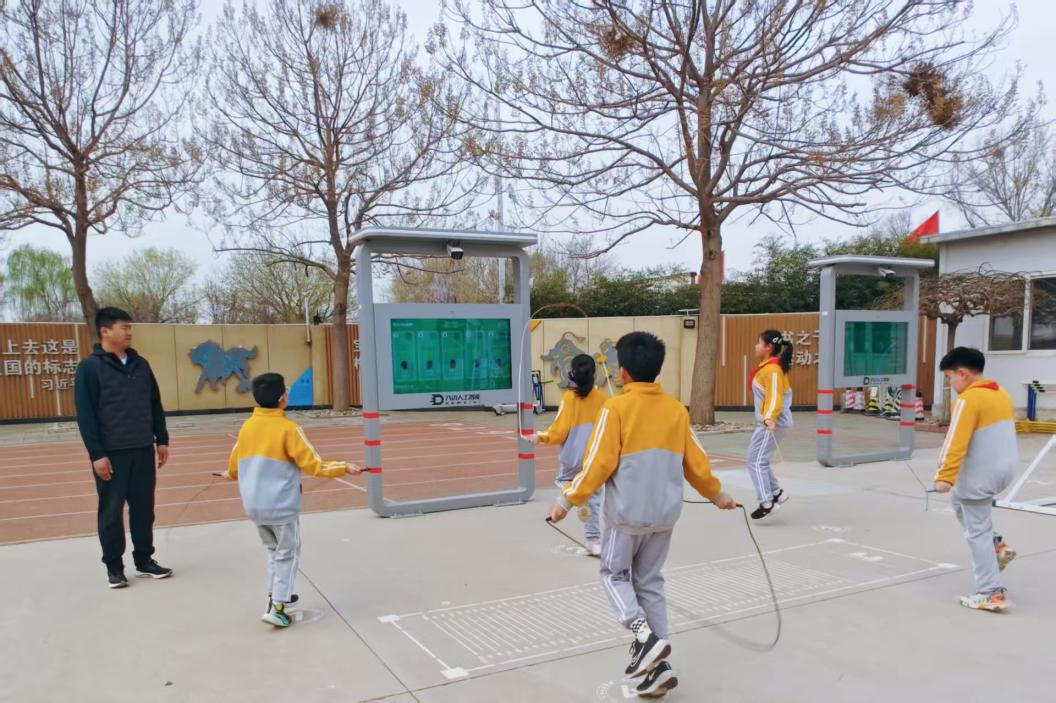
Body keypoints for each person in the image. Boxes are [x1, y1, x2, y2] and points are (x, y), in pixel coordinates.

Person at [549, 332, 736, 698]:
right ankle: (659, 668)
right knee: (649, 583)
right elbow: (697, 464)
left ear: (623, 372)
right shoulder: (675, 410)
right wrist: (718, 495)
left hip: (626, 517)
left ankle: (643, 635)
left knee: (613, 574)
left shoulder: (615, 409)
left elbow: (597, 464)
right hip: (664, 518)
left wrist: (567, 500)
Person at [225, 373, 361, 628]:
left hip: (254, 506)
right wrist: (344, 466)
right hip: (281, 506)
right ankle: (277, 606)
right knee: (287, 553)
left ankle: (277, 595)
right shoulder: (288, 429)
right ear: (282, 398)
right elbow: (314, 465)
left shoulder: (247, 427)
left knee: (273, 551)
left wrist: (229, 475)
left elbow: (233, 466)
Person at [75, 307, 173, 589]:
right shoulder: (90, 368)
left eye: (130, 327)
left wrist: (161, 439)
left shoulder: (141, 365)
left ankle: (144, 560)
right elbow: (86, 415)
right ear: (105, 331)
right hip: (112, 454)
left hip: (142, 448)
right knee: (111, 512)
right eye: (124, 327)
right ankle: (114, 568)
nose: (129, 332)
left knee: (144, 509)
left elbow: (154, 403)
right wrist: (97, 454)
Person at [934, 347, 1018, 612]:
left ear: (963, 374)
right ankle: (997, 545)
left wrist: (944, 476)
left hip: (980, 475)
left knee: (976, 532)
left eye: (949, 377)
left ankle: (990, 592)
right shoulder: (1000, 393)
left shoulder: (968, 400)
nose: (950, 384)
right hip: (1004, 470)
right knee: (959, 501)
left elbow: (955, 441)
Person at [532, 354, 608, 556]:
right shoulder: (603, 400)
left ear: (573, 373)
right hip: (594, 460)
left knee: (565, 482)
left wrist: (540, 437)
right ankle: (593, 540)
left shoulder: (568, 399)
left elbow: (558, 431)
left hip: (571, 459)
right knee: (593, 497)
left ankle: (570, 498)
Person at [746, 329, 793, 520]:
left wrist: (769, 418)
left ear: (768, 347)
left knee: (755, 461)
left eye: (759, 343)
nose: (756, 346)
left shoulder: (773, 370)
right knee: (759, 459)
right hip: (770, 421)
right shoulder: (769, 368)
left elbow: (775, 396)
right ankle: (776, 493)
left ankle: (767, 503)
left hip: (771, 423)